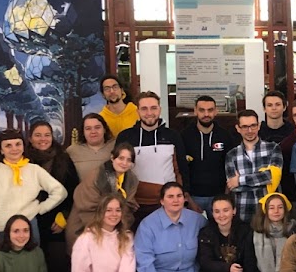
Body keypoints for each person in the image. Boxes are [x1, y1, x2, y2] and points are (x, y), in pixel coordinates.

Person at [0, 129, 67, 251]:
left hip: (28, 228)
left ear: (24, 147)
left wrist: (40, 208)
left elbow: (60, 192)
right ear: (1, 150)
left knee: (31, 262)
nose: (14, 149)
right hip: (2, 231)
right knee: (3, 263)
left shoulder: (34, 170)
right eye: (8, 145)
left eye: (18, 144)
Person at [26, 121, 80, 272]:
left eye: (47, 135)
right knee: (34, 270)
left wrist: (65, 216)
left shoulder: (63, 159)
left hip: (56, 223)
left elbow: (73, 190)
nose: (43, 139)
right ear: (30, 138)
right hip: (30, 222)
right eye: (38, 135)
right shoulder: (23, 160)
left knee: (58, 268)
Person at [118, 91, 190, 220]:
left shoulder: (173, 136)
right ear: (137, 111)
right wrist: (126, 198)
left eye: (153, 108)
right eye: (144, 109)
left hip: (167, 203)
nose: (149, 113)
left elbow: (182, 169)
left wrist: (183, 195)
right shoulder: (125, 137)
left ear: (160, 109)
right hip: (135, 204)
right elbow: (117, 171)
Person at [66, 143, 140, 248]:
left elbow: (129, 207)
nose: (124, 163)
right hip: (86, 225)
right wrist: (106, 229)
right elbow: (87, 206)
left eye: (129, 160)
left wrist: (118, 227)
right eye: (121, 158)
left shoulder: (132, 180)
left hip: (116, 229)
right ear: (112, 158)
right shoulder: (96, 176)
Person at [180, 95, 240, 214]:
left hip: (219, 197)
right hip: (193, 197)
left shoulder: (225, 136)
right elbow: (181, 169)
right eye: (202, 110)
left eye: (210, 110)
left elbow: (231, 167)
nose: (206, 114)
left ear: (216, 111)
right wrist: (188, 199)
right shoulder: (184, 136)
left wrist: (225, 197)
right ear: (195, 111)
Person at [224, 109, 283, 224]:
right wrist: (262, 182)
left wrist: (240, 180)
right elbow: (233, 187)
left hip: (269, 214)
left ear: (259, 125)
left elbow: (271, 176)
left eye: (253, 125)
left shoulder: (273, 148)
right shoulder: (231, 155)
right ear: (238, 128)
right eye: (245, 127)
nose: (250, 130)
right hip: (243, 213)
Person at [67, 113, 114, 182]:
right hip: (82, 189)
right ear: (83, 132)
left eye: (97, 127)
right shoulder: (72, 150)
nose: (93, 132)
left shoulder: (115, 146)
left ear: (104, 129)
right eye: (88, 129)